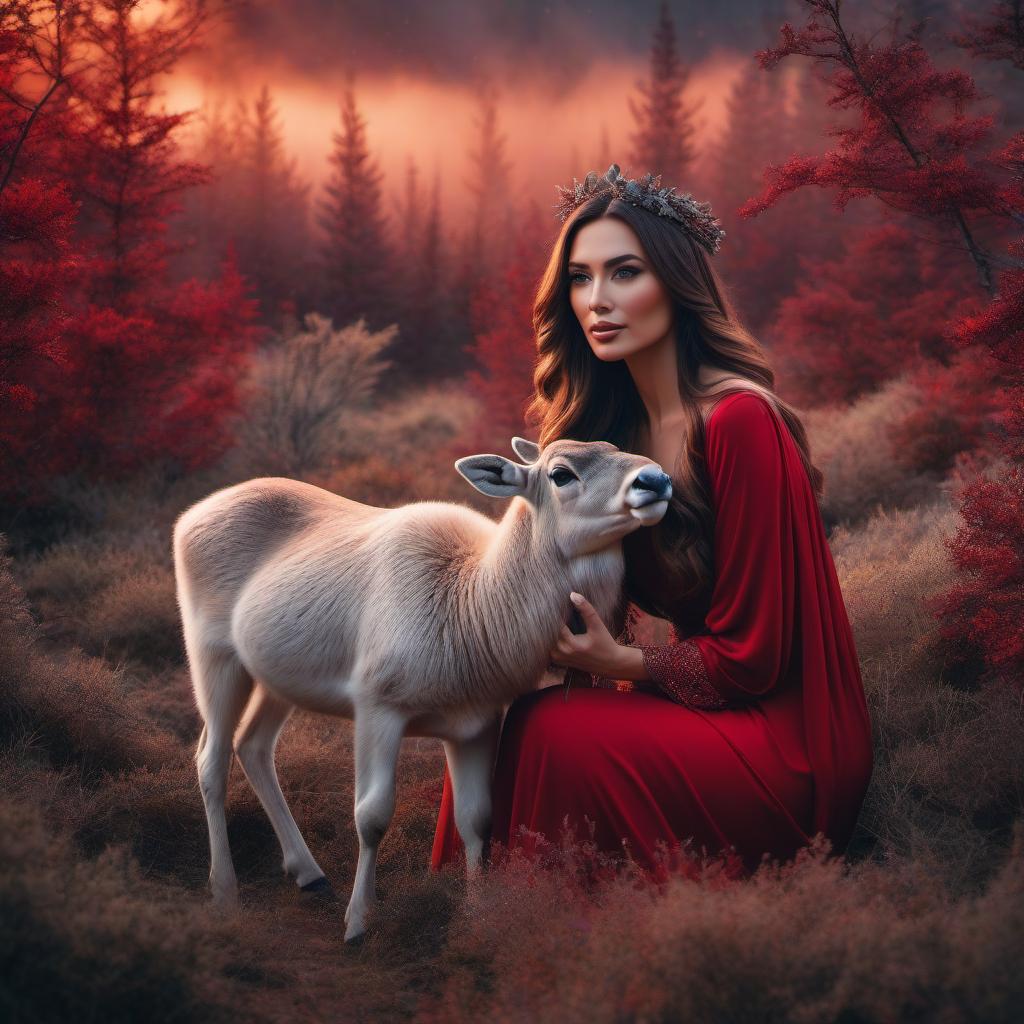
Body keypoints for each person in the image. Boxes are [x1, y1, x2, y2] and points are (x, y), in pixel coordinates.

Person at [430, 164, 873, 878]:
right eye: (579, 278)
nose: (596, 301)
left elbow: (758, 658)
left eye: (624, 273)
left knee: (552, 730)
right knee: (496, 713)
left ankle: (546, 939)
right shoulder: (612, 437)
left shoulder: (740, 422)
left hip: (783, 741)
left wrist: (621, 665)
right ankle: (465, 910)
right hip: (698, 706)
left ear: (677, 283)